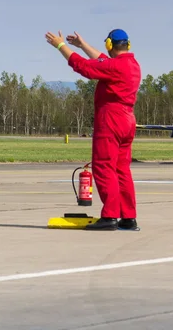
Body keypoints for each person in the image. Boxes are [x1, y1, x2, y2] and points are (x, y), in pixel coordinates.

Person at [45, 29, 141, 230]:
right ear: (127, 45)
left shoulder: (115, 66)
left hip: (111, 119)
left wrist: (61, 46)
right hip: (127, 119)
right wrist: (83, 45)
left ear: (109, 44)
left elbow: (85, 67)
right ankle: (128, 217)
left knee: (104, 166)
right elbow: (103, 61)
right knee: (121, 169)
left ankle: (110, 216)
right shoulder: (132, 64)